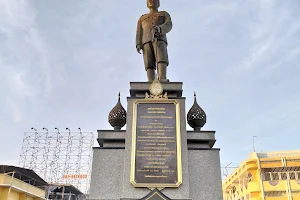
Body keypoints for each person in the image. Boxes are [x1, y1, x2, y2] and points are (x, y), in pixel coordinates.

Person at [136, 0, 172, 82]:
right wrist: (138, 43)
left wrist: (160, 29)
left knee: (161, 58)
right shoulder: (142, 18)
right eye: (149, 0)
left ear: (158, 2)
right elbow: (139, 32)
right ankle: (150, 80)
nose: (151, 1)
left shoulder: (164, 14)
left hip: (159, 39)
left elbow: (169, 24)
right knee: (148, 61)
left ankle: (162, 78)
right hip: (146, 41)